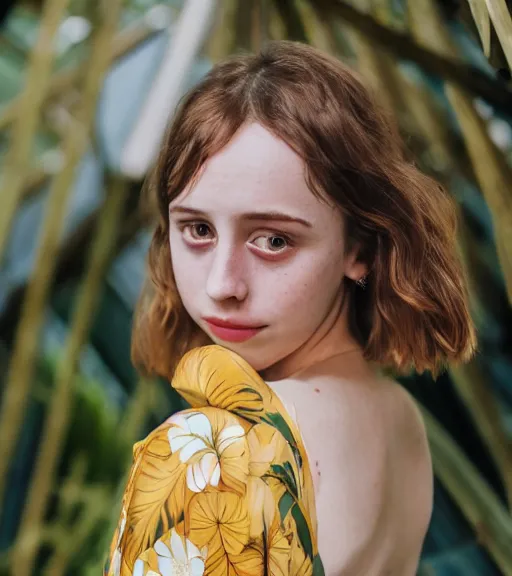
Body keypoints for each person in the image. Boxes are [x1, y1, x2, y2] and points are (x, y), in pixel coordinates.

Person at [105, 40, 476, 576]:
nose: (222, 284)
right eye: (198, 229)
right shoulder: (401, 422)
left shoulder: (217, 449)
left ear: (360, 248)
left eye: (273, 240)